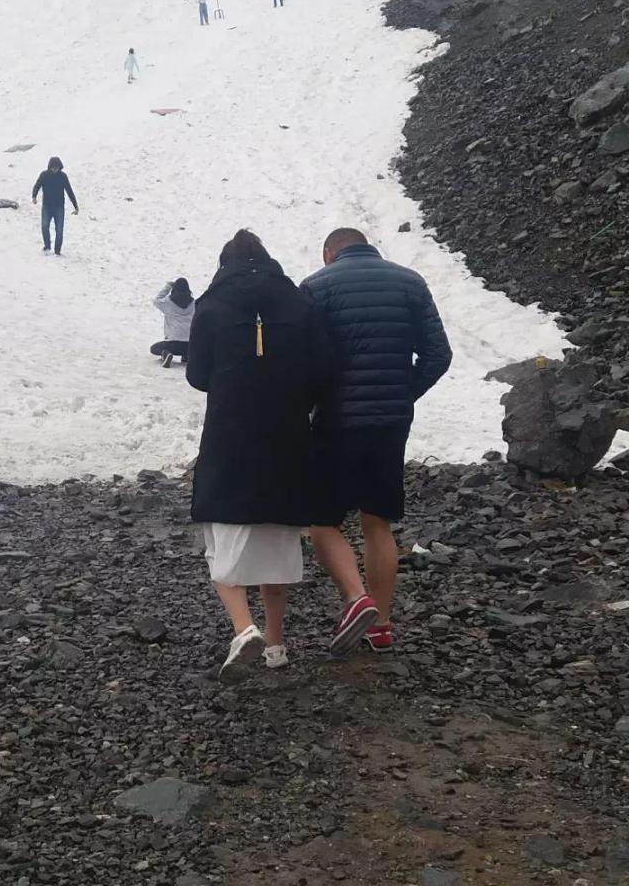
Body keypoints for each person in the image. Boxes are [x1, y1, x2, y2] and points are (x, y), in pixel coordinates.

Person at [187, 230, 332, 678]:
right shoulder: (298, 302)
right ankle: (275, 643)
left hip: (230, 431)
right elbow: (324, 366)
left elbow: (197, 374)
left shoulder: (211, 305)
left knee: (221, 530)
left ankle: (242, 626)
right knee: (277, 533)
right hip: (288, 429)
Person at [302, 227, 453, 654]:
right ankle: (381, 625)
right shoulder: (409, 282)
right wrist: (403, 393)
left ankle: (357, 598)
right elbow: (438, 354)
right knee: (377, 520)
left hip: (336, 421)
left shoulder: (315, 287)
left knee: (322, 520)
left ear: (329, 253)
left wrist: (315, 402)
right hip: (390, 422)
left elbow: (305, 359)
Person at [31, 155, 79, 255]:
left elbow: (69, 191)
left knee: (59, 230)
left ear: (59, 167)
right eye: (53, 167)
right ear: (50, 167)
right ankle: (47, 246)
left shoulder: (63, 176)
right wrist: (34, 196)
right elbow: (37, 185)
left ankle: (57, 250)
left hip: (59, 207)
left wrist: (75, 206)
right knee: (44, 226)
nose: (55, 169)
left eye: (56, 167)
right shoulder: (44, 175)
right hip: (47, 206)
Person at [150, 278, 194, 367]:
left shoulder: (168, 303)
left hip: (173, 344)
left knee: (154, 348)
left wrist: (168, 286)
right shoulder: (194, 304)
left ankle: (166, 353)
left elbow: (156, 300)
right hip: (190, 344)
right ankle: (186, 357)